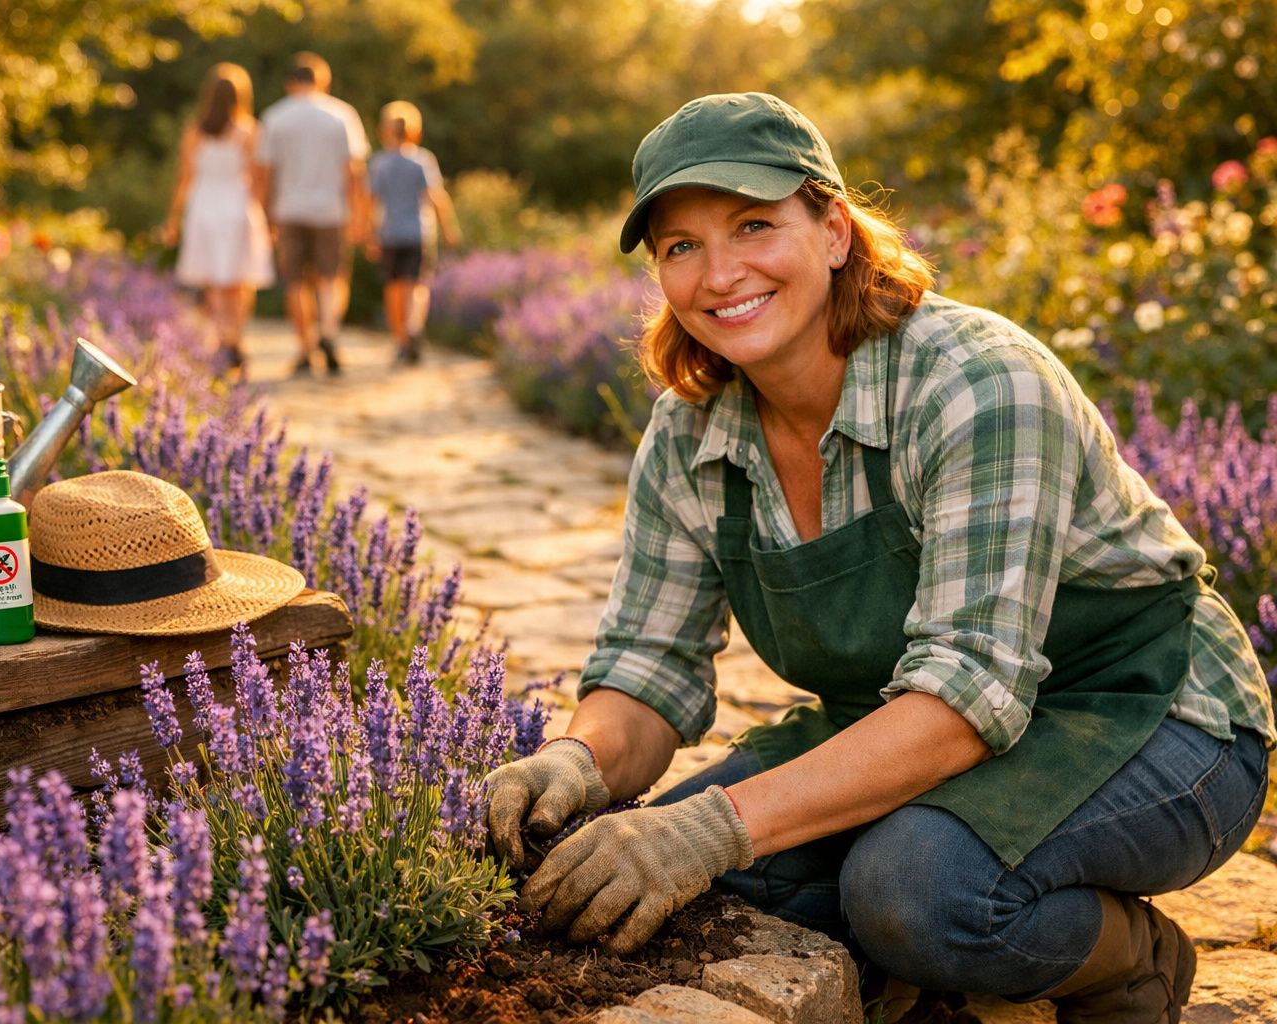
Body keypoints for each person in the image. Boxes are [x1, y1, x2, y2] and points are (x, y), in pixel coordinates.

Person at [484, 93, 1273, 1023]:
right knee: (695, 890)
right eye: (680, 246)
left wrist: (704, 829)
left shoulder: (976, 382)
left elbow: (965, 696)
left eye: (752, 225)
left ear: (833, 230)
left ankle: (1126, 961)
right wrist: (577, 762)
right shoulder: (688, 433)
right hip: (901, 722)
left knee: (913, 892)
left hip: (1145, 716)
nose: (719, 272)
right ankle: (944, 979)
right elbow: (649, 670)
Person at [255, 52, 369, 376]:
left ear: (290, 82)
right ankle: (328, 332)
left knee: (295, 282)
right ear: (324, 80)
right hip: (331, 210)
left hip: (288, 210)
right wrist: (360, 214)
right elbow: (354, 171)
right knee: (332, 277)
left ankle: (305, 347)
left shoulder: (275, 117)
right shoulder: (342, 115)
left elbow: (266, 174)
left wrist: (265, 216)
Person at [165, 63, 275, 379]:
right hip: (236, 206)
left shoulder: (196, 129)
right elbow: (258, 180)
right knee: (239, 282)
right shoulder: (250, 130)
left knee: (215, 282)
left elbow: (184, 178)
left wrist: (173, 218)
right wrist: (261, 217)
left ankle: (222, 339)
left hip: (204, 207)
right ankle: (235, 338)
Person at [367, 100, 460, 366]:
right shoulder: (423, 160)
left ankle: (400, 340)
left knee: (394, 286)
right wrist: (449, 229)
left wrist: (371, 234)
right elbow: (436, 198)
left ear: (384, 130)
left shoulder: (380, 163)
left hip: (390, 233)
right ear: (415, 131)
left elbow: (373, 203)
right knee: (418, 285)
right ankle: (413, 326)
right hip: (418, 233)